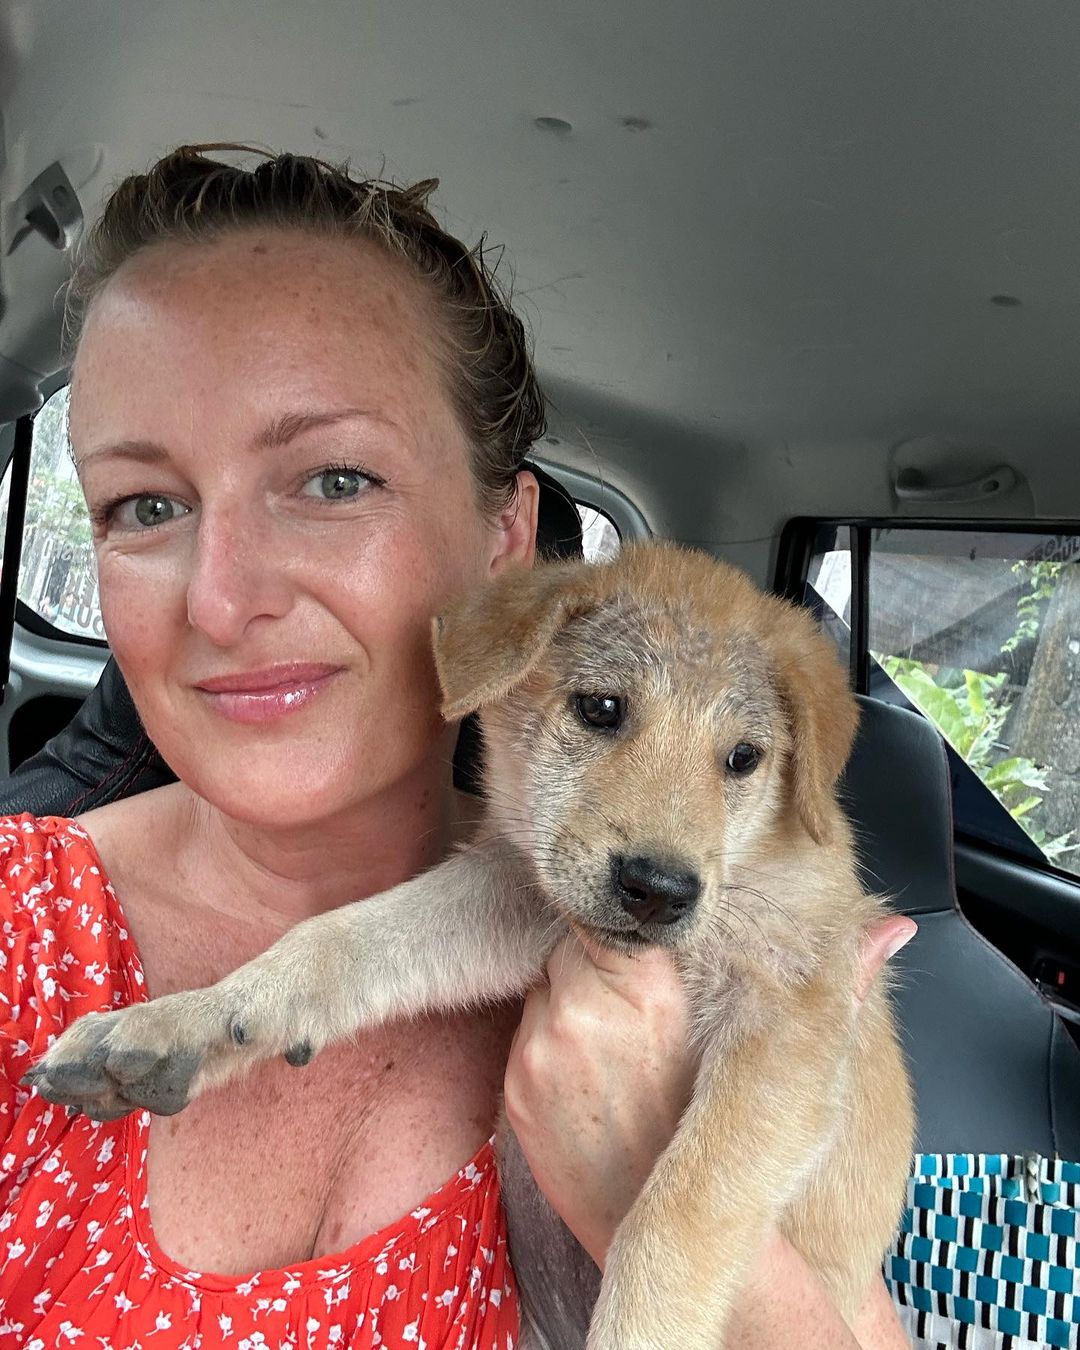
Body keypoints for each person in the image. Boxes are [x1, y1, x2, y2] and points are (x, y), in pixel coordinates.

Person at [0, 145, 915, 1349]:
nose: (222, 603)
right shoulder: (26, 934)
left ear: (505, 540)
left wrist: (660, 1216)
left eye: (332, 479)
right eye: (146, 505)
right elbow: (422, 938)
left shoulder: (617, 896)